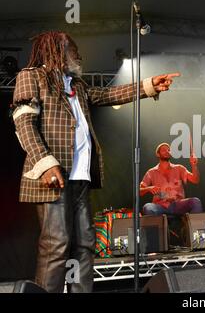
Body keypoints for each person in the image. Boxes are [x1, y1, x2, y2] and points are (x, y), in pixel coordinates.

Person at [11, 31, 180, 292]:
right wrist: (45, 162)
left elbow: (109, 95)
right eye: (73, 49)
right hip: (53, 174)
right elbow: (23, 123)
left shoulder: (77, 86)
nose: (79, 55)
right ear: (56, 51)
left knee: (85, 243)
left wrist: (148, 86)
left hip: (80, 177)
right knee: (56, 243)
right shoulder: (31, 76)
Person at [140, 143, 202, 216]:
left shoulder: (179, 168)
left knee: (195, 202)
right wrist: (148, 188)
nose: (167, 151)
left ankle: (191, 226)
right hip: (160, 205)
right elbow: (139, 191)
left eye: (168, 150)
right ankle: (160, 227)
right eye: (164, 150)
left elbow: (195, 180)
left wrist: (194, 165)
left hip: (178, 204)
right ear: (158, 154)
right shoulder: (151, 172)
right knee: (148, 207)